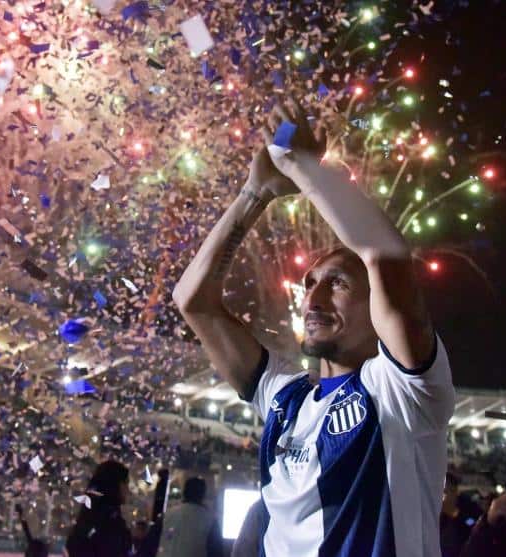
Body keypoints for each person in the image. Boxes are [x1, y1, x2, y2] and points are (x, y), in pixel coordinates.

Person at [173, 97, 456, 556]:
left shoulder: (405, 392)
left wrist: (304, 166)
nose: (315, 298)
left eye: (339, 284)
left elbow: (385, 252)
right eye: (310, 283)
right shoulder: (285, 398)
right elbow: (193, 300)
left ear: (378, 303)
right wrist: (255, 193)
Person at [66, 460, 133, 557]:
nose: (127, 489)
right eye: (125, 483)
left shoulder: (87, 518)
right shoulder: (110, 524)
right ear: (115, 485)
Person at [156, 478, 222, 557]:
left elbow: (151, 544)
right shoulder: (210, 520)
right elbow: (216, 552)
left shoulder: (167, 515)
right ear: (203, 495)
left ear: (184, 493)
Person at [439, 473, 479, 557]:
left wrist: (456, 514)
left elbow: (473, 524)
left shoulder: (468, 506)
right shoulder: (436, 508)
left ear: (455, 491)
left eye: (445, 492)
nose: (442, 497)